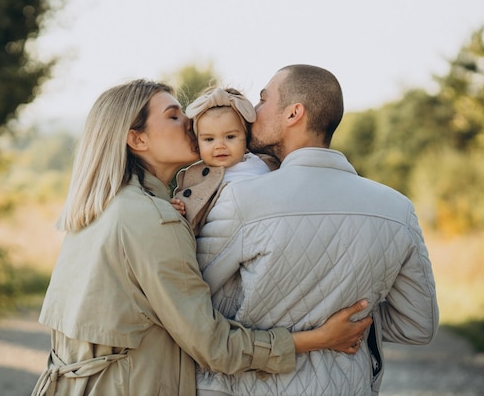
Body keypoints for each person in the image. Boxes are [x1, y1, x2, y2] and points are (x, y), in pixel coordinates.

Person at [30, 79, 373, 396]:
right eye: (174, 115)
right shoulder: (151, 219)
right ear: (138, 139)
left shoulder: (104, 207)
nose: (191, 121)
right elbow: (212, 345)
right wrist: (318, 339)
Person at [195, 65, 439, 396]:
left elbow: (196, 304)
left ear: (294, 113)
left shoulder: (240, 200)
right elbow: (417, 326)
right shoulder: (397, 210)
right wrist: (344, 325)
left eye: (264, 100)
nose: (252, 113)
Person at [171, 87, 278, 235]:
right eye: (209, 139)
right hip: (216, 243)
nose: (220, 146)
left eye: (230, 137)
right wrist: (176, 211)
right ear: (198, 142)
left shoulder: (267, 164)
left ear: (245, 137)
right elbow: (185, 216)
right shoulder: (192, 176)